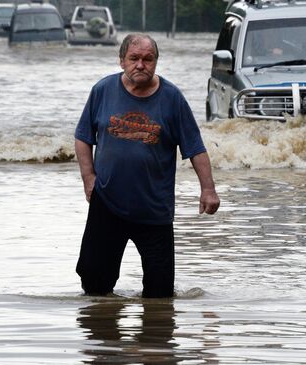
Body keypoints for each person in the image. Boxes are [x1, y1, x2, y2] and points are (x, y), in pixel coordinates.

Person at [74, 33, 220, 298]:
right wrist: (88, 177)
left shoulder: (172, 98)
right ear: (122, 61)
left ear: (155, 62)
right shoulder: (102, 90)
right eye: (134, 58)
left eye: (147, 59)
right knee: (94, 285)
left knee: (160, 292)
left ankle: (153, 336)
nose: (140, 65)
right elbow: (83, 137)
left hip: (154, 210)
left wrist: (208, 189)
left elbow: (195, 147)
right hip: (107, 203)